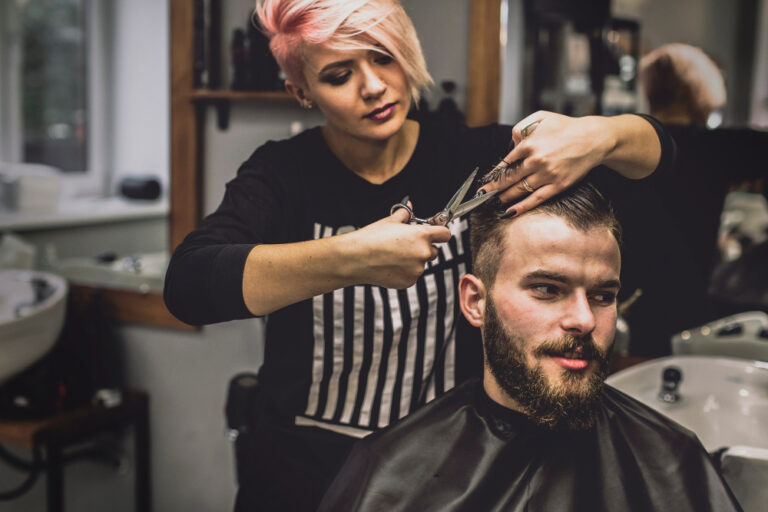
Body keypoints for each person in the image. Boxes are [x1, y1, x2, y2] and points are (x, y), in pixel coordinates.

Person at [163, 1, 674, 509]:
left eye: (384, 57)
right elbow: (189, 285)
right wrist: (349, 259)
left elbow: (663, 157)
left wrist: (603, 135)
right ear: (301, 91)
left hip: (436, 468)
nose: (373, 86)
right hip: (298, 475)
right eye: (339, 75)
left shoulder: (475, 159)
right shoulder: (280, 175)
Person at [319, 182, 741, 511]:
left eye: (602, 295)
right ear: (475, 301)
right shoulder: (392, 472)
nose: (584, 319)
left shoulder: (672, 461)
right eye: (547, 289)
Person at [602, 42, 768, 356]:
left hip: (625, 297)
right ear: (699, 92)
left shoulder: (622, 144)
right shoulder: (715, 148)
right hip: (685, 304)